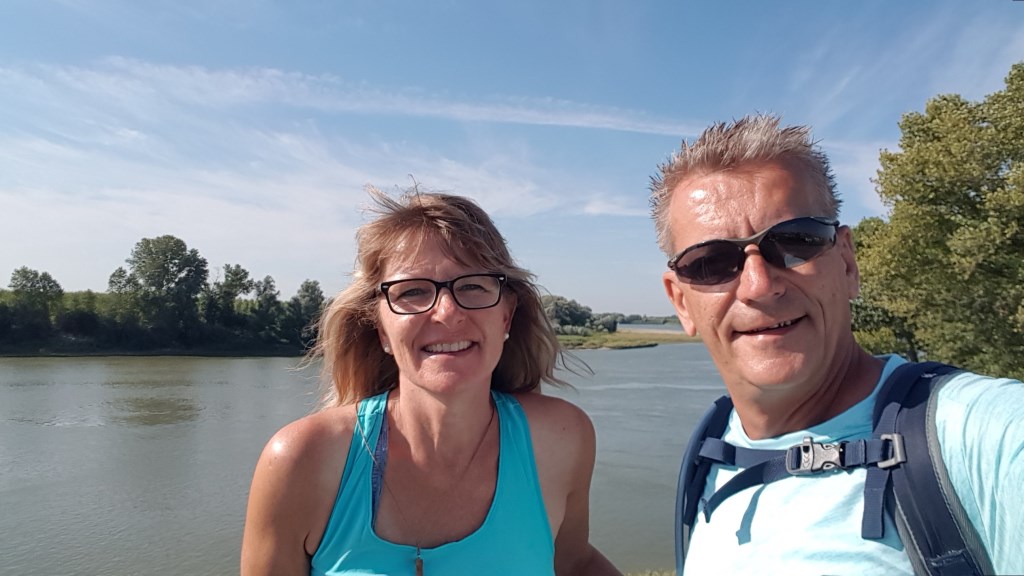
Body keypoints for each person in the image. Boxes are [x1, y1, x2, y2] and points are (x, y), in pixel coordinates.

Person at [649, 114, 1024, 575]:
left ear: (847, 263)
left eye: (794, 242)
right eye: (710, 262)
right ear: (681, 303)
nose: (759, 286)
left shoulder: (980, 437)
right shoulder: (711, 448)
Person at [241, 186, 621, 576]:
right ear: (381, 328)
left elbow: (574, 562)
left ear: (506, 316)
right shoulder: (302, 461)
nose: (447, 312)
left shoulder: (560, 439)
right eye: (413, 291)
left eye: (472, 285)